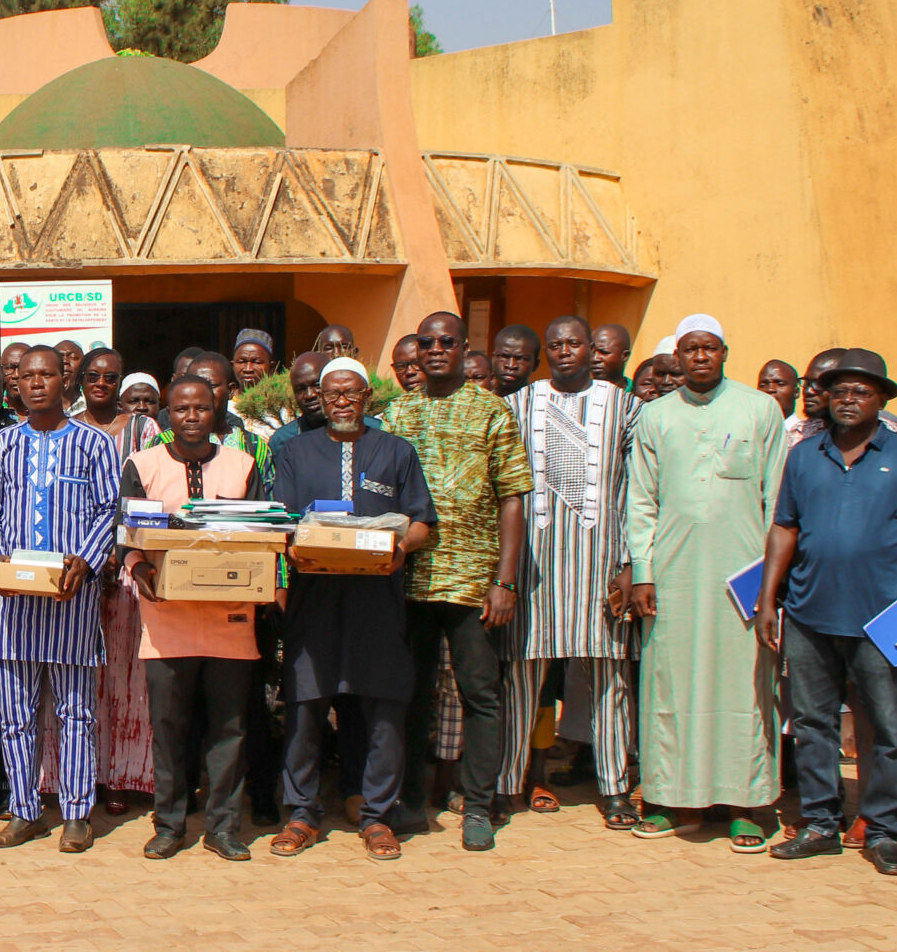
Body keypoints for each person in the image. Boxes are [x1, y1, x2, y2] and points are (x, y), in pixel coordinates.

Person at [751, 350, 897, 877]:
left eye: (860, 392)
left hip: (883, 621)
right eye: (838, 392)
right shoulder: (805, 456)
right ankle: (820, 824)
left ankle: (883, 831)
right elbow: (784, 528)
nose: (848, 400)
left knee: (889, 730)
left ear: (881, 399)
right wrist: (768, 599)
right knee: (813, 724)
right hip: (809, 614)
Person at [624, 315, 789, 849]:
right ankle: (673, 801)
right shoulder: (655, 416)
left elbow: (776, 500)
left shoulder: (759, 409)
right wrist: (643, 572)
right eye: (690, 349)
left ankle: (746, 804)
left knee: (744, 687)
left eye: (709, 348)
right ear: (677, 356)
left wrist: (770, 583)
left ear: (724, 353)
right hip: (672, 576)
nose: (700, 357)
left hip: (742, 577)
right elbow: (641, 500)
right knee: (671, 686)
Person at [267, 360, 437, 862]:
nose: (342, 401)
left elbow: (421, 522)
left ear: (367, 397)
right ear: (319, 398)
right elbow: (283, 522)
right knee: (305, 706)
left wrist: (398, 549)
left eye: (352, 393)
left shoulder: (397, 451)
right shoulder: (295, 451)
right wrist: (295, 549)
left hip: (377, 600)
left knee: (383, 706)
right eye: (333, 394)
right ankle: (301, 813)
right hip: (314, 599)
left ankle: (378, 816)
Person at [382, 311, 530, 847]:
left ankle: (479, 807)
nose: (436, 349)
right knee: (411, 694)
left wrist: (505, 581)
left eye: (447, 341)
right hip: (411, 580)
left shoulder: (491, 410)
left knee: (480, 694)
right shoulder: (397, 413)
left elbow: (512, 496)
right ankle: (410, 802)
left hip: (474, 581)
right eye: (427, 342)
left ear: (465, 348)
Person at [0, 347, 123, 854]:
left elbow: (109, 508)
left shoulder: (94, 443)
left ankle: (77, 814)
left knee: (75, 711)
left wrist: (87, 559)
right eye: (27, 375)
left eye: (47, 374)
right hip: (13, 604)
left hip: (70, 600)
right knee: (15, 714)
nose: (36, 383)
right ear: (15, 384)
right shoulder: (1, 445)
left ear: (66, 380)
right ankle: (25, 811)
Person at [497, 315, 643, 828]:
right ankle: (506, 785)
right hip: (532, 569)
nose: (565, 351)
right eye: (555, 344)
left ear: (591, 349)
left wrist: (631, 563)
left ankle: (615, 789)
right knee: (520, 678)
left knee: (609, 679)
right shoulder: (518, 405)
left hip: (601, 566)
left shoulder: (625, 408)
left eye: (574, 343)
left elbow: (639, 492)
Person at [123, 375, 265, 861]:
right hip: (167, 620)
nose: (191, 417)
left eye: (201, 408)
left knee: (229, 729)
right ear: (168, 412)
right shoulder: (142, 465)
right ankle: (169, 825)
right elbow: (127, 533)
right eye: (181, 408)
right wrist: (138, 567)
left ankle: (224, 828)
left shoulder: (243, 466)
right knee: (169, 730)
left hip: (230, 618)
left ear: (215, 411)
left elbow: (262, 533)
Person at [67, 347, 160, 811]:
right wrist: (88, 555)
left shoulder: (144, 429)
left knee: (126, 674)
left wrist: (119, 553)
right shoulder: (66, 426)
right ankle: (80, 773)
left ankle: (122, 775)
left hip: (127, 566)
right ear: (80, 379)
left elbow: (150, 497)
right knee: (82, 675)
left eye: (110, 377)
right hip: (76, 567)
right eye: (93, 375)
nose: (101, 383)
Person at [491, 326, 540, 397]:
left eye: (521, 359)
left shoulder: (540, 403)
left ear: (535, 364)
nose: (511, 365)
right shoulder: (478, 402)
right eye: (504, 356)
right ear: (493, 358)